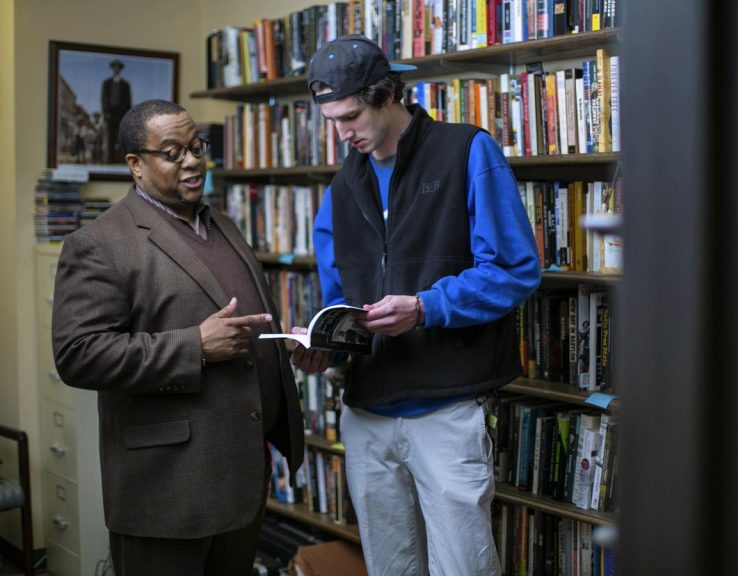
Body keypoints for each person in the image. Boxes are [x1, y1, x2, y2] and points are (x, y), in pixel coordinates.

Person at [291, 35, 542, 575]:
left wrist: (427, 307)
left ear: (387, 95)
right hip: (365, 415)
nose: (341, 133)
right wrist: (326, 346)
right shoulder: (342, 187)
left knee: (462, 567)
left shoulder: (466, 150)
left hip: (445, 408)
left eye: (351, 116)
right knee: (391, 568)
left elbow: (514, 268)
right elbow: (338, 300)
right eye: (331, 120)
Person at [51, 99, 304, 576]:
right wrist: (194, 347)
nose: (191, 162)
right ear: (135, 164)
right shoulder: (99, 244)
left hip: (239, 479)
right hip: (167, 491)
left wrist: (283, 346)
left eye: (196, 147)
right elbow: (77, 355)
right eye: (172, 153)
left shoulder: (222, 224)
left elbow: (241, 324)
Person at [101, 58, 132, 163]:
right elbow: (103, 99)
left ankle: (121, 161)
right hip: (110, 114)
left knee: (121, 139)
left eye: (118, 67)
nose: (116, 69)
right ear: (112, 69)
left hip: (122, 115)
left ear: (120, 69)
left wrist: (127, 116)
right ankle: (110, 161)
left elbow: (128, 102)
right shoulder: (106, 83)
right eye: (115, 67)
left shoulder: (126, 85)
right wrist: (106, 113)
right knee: (110, 138)